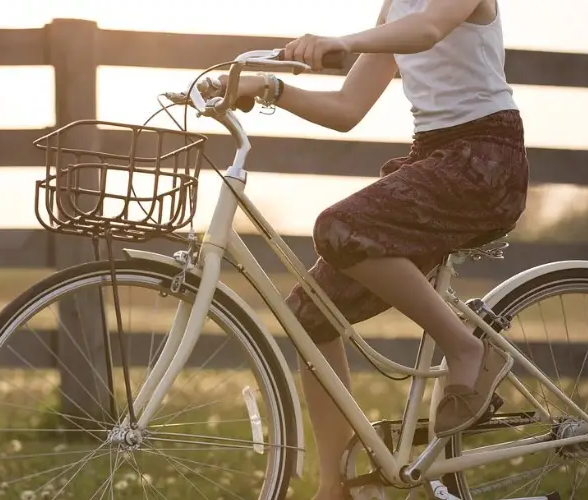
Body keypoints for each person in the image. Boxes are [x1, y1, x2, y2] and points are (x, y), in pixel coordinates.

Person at [224, 0, 529, 498]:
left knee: (341, 226)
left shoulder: (424, 12)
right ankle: (335, 487)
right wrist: (269, 88)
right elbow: (346, 109)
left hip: (485, 162)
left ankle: (466, 348)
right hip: (432, 158)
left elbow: (429, 29)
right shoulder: (395, 7)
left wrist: (344, 40)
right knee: (309, 313)